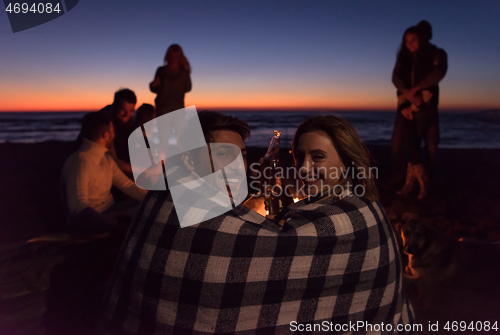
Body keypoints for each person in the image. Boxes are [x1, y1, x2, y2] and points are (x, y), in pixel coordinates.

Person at [101, 112, 415, 334]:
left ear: (347, 159)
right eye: (225, 155)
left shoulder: (358, 217)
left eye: (317, 156)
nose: (304, 169)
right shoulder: (170, 203)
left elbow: (268, 239)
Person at [62, 112, 147, 231]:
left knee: (152, 208)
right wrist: (114, 225)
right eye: (112, 131)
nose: (114, 135)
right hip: (96, 218)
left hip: (112, 209)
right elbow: (78, 207)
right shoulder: (80, 162)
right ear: (106, 135)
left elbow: (127, 185)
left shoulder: (105, 159)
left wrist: (152, 199)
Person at [391, 22, 447, 199]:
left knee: (430, 146)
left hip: (426, 107)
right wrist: (407, 97)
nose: (410, 44)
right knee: (399, 144)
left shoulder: (435, 54)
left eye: (414, 39)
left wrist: (416, 89)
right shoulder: (404, 59)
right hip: (405, 107)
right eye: (407, 40)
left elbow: (437, 75)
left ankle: (425, 181)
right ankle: (407, 178)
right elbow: (396, 79)